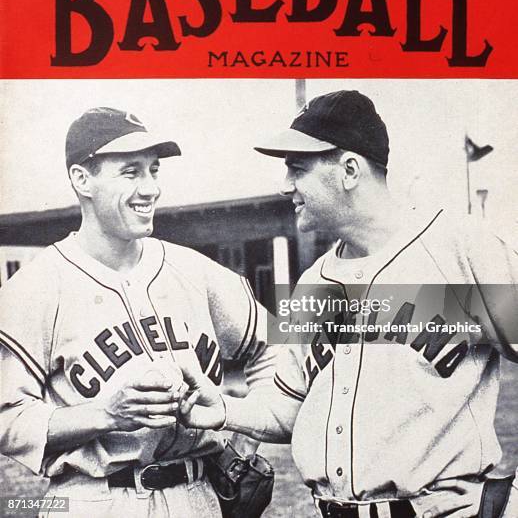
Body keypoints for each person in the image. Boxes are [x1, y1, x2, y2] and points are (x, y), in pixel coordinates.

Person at [178, 91, 518, 518]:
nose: (286, 185)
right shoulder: (313, 284)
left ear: (349, 170)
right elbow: (292, 409)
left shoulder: (458, 250)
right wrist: (225, 409)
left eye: (297, 169)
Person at [0, 107, 276, 517]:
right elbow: (7, 420)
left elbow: (277, 348)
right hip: (92, 497)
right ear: (82, 179)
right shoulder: (36, 286)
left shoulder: (194, 270)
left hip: (199, 493)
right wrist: (104, 415)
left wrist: (245, 427)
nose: (150, 189)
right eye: (131, 172)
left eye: (154, 170)